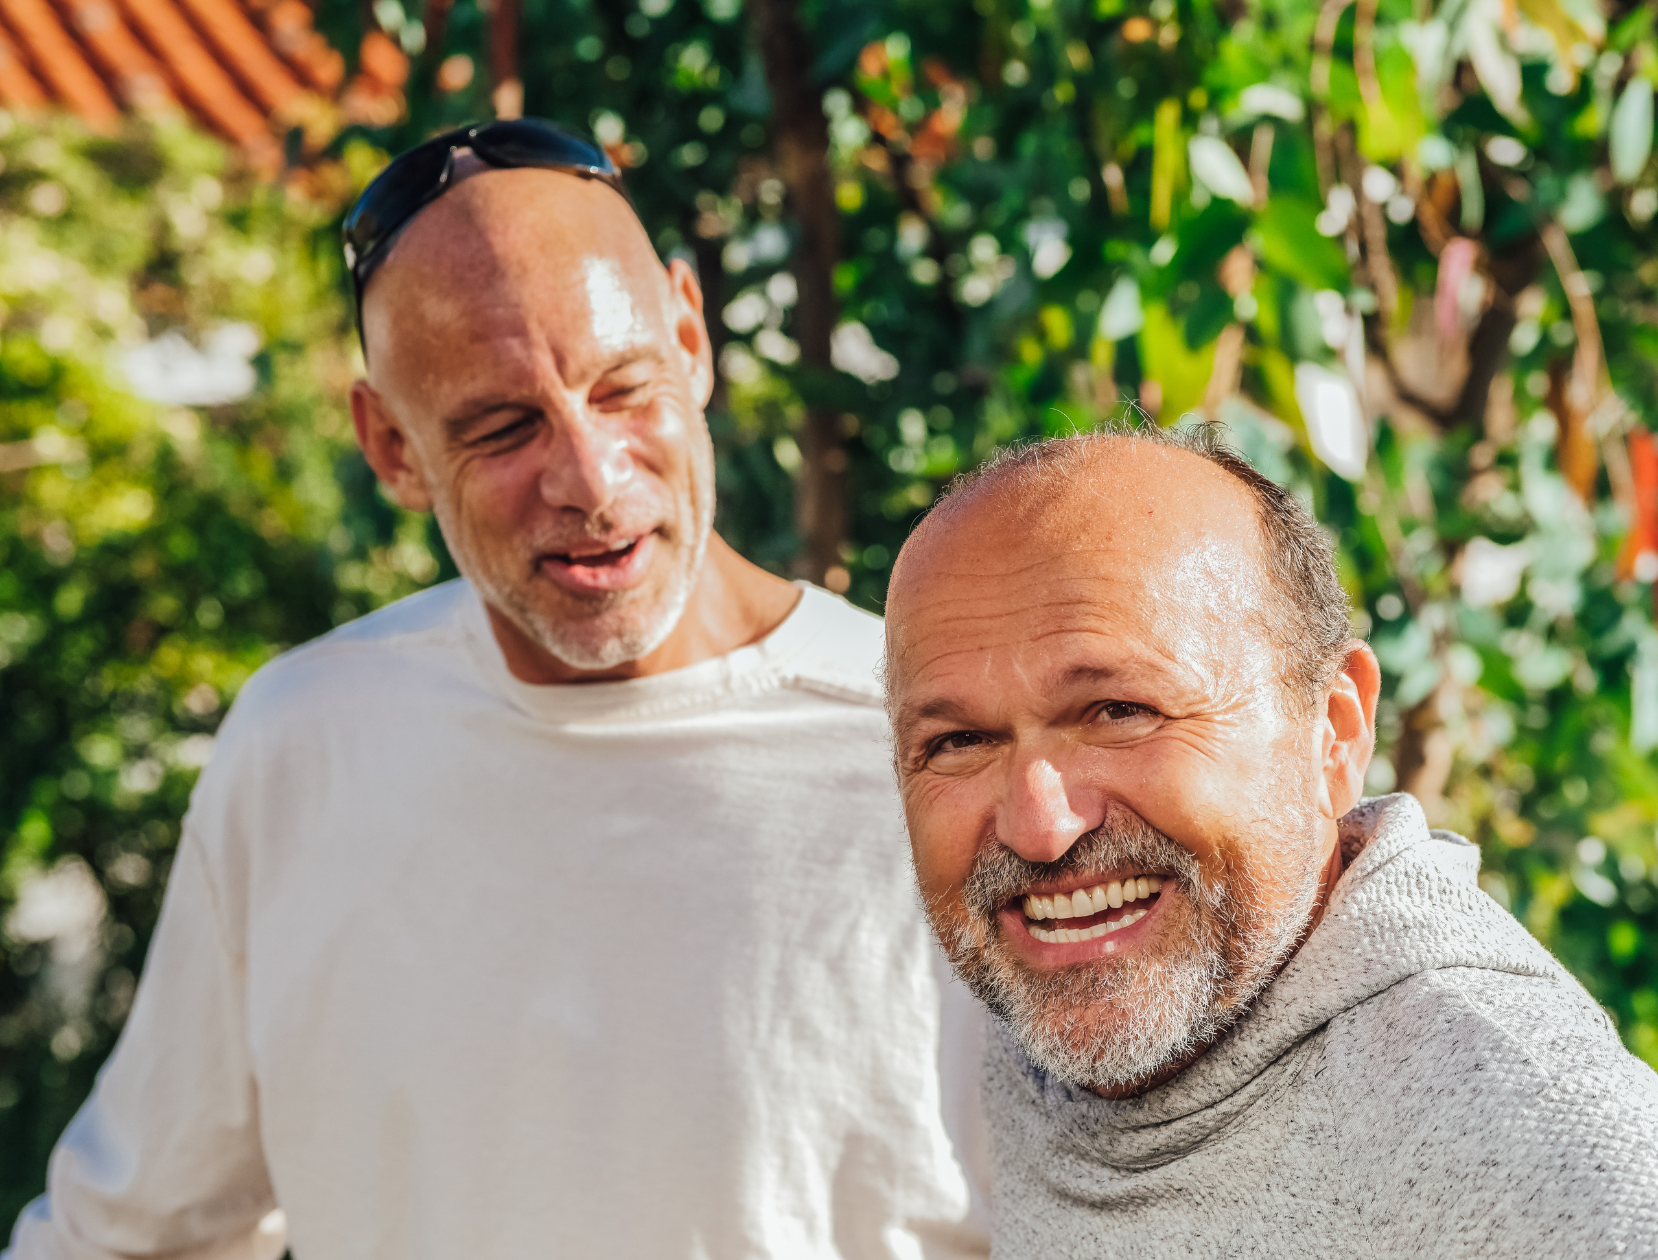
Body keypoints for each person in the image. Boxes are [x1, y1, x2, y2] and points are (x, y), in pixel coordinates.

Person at [6, 120, 988, 1260]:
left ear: (688, 331)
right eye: (503, 427)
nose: (588, 480)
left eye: (622, 389)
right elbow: (127, 1238)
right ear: (390, 447)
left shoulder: (937, 758)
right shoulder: (306, 746)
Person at [882, 422, 1658, 1257]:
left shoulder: (1547, 1163)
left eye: (1120, 712)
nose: (1039, 829)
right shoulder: (1046, 1035)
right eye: (958, 743)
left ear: (1334, 729)